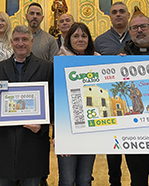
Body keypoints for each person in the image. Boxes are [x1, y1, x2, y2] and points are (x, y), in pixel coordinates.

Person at [0, 25, 54, 186]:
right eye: (16, 39)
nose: (20, 43)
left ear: (32, 41)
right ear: (11, 42)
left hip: (33, 141)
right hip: (4, 141)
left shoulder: (46, 67)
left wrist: (42, 127)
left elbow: (52, 102)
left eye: (24, 39)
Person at [116, 12, 149, 186]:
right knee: (137, 180)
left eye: (143, 26)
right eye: (134, 28)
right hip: (134, 134)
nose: (139, 31)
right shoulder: (120, 57)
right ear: (130, 32)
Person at [57, 22, 99, 186]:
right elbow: (56, 96)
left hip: (92, 127)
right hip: (67, 128)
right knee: (67, 179)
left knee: (85, 178)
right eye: (75, 36)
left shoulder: (98, 60)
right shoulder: (59, 61)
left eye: (84, 36)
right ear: (68, 39)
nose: (80, 39)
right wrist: (57, 133)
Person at [94, 1, 131, 186]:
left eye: (122, 11)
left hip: (132, 98)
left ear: (128, 15)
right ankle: (114, 181)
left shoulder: (138, 36)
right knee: (113, 147)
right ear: (109, 16)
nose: (118, 15)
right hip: (111, 99)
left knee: (134, 148)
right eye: (114, 12)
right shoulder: (100, 40)